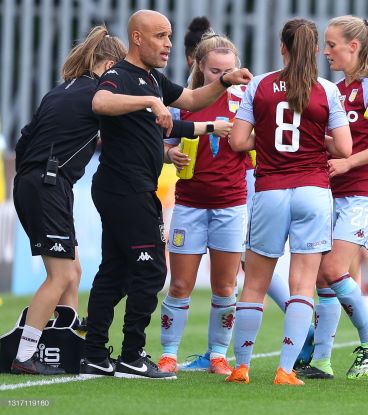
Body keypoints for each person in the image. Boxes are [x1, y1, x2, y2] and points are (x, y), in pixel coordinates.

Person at [79, 10, 252, 380]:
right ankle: (132, 355)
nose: (169, 44)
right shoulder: (119, 75)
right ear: (137, 38)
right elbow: (100, 104)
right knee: (152, 270)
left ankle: (94, 353)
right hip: (124, 186)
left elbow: (190, 99)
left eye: (170, 36)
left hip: (131, 186)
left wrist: (224, 81)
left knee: (115, 270)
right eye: (160, 36)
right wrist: (148, 103)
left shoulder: (152, 78)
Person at [225, 17, 352, 386]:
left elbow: (237, 141)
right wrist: (316, 142)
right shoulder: (326, 89)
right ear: (314, 50)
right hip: (312, 191)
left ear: (282, 47)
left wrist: (265, 141)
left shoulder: (261, 86)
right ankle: (284, 370)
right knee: (302, 284)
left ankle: (242, 366)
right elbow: (344, 148)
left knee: (255, 284)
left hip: (270, 190)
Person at [10, 26, 126, 375]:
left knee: (72, 271)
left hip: (34, 182)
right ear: (108, 65)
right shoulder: (97, 95)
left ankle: (66, 341)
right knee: (59, 275)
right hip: (49, 184)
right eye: (120, 71)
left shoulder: (58, 92)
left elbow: (24, 141)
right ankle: (25, 354)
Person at [296, 15, 368, 381]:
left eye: (332, 45)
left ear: (354, 46)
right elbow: (341, 142)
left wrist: (348, 161)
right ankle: (321, 359)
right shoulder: (337, 88)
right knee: (322, 277)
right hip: (334, 191)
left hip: (362, 194)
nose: (325, 51)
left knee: (333, 270)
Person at [157, 32, 244, 376]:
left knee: (225, 286)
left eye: (228, 69)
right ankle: (168, 355)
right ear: (198, 66)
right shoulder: (183, 102)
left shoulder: (244, 101)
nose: (222, 76)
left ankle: (218, 355)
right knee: (179, 285)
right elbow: (162, 146)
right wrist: (170, 153)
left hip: (231, 205)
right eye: (214, 70)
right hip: (190, 205)